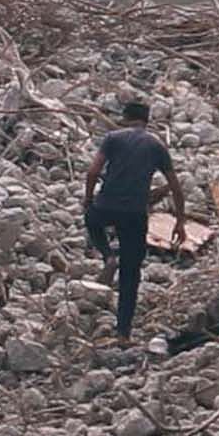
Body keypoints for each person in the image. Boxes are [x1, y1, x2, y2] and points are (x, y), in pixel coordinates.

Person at [84, 97, 182, 346]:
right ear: (146, 121)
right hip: (135, 215)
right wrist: (179, 222)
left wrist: (88, 200)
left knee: (91, 218)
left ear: (125, 119)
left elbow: (93, 171)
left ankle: (107, 255)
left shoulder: (113, 138)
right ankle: (123, 333)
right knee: (131, 275)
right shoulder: (157, 146)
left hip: (106, 206)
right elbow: (176, 187)